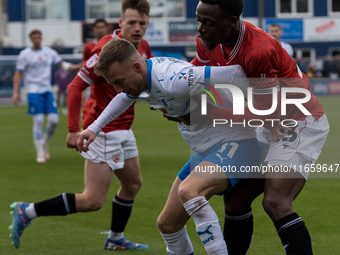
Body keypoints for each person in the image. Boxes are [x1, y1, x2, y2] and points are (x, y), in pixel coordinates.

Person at [76, 39, 261, 255]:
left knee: (190, 192)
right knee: (168, 224)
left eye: (118, 80)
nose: (117, 88)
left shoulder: (175, 79)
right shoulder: (142, 78)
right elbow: (124, 97)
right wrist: (94, 128)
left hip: (238, 143)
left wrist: (270, 110)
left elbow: (237, 74)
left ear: (136, 67)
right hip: (207, 150)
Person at [9, 0, 152, 251]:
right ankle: (27, 211)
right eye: (132, 22)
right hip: (102, 131)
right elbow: (76, 86)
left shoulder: (144, 47)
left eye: (142, 23)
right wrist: (73, 128)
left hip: (124, 129)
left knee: (132, 185)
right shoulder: (105, 51)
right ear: (121, 23)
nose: (137, 28)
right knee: (92, 200)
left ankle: (115, 239)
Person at [190, 1, 329, 254]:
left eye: (208, 22)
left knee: (276, 201)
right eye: (198, 20)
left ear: (230, 22)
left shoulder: (257, 51)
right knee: (236, 200)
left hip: (298, 120)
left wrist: (208, 113)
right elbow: (192, 75)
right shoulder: (208, 41)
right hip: (269, 120)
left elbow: (267, 111)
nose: (200, 29)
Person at [12, 29, 81, 163]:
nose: (37, 40)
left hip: (47, 91)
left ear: (41, 38)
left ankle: (44, 143)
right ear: (31, 39)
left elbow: (62, 64)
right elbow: (18, 74)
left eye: (38, 37)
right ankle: (40, 153)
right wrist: (15, 92)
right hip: (33, 91)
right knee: (38, 121)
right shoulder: (24, 54)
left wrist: (76, 66)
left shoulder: (49, 52)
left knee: (54, 120)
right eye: (34, 38)